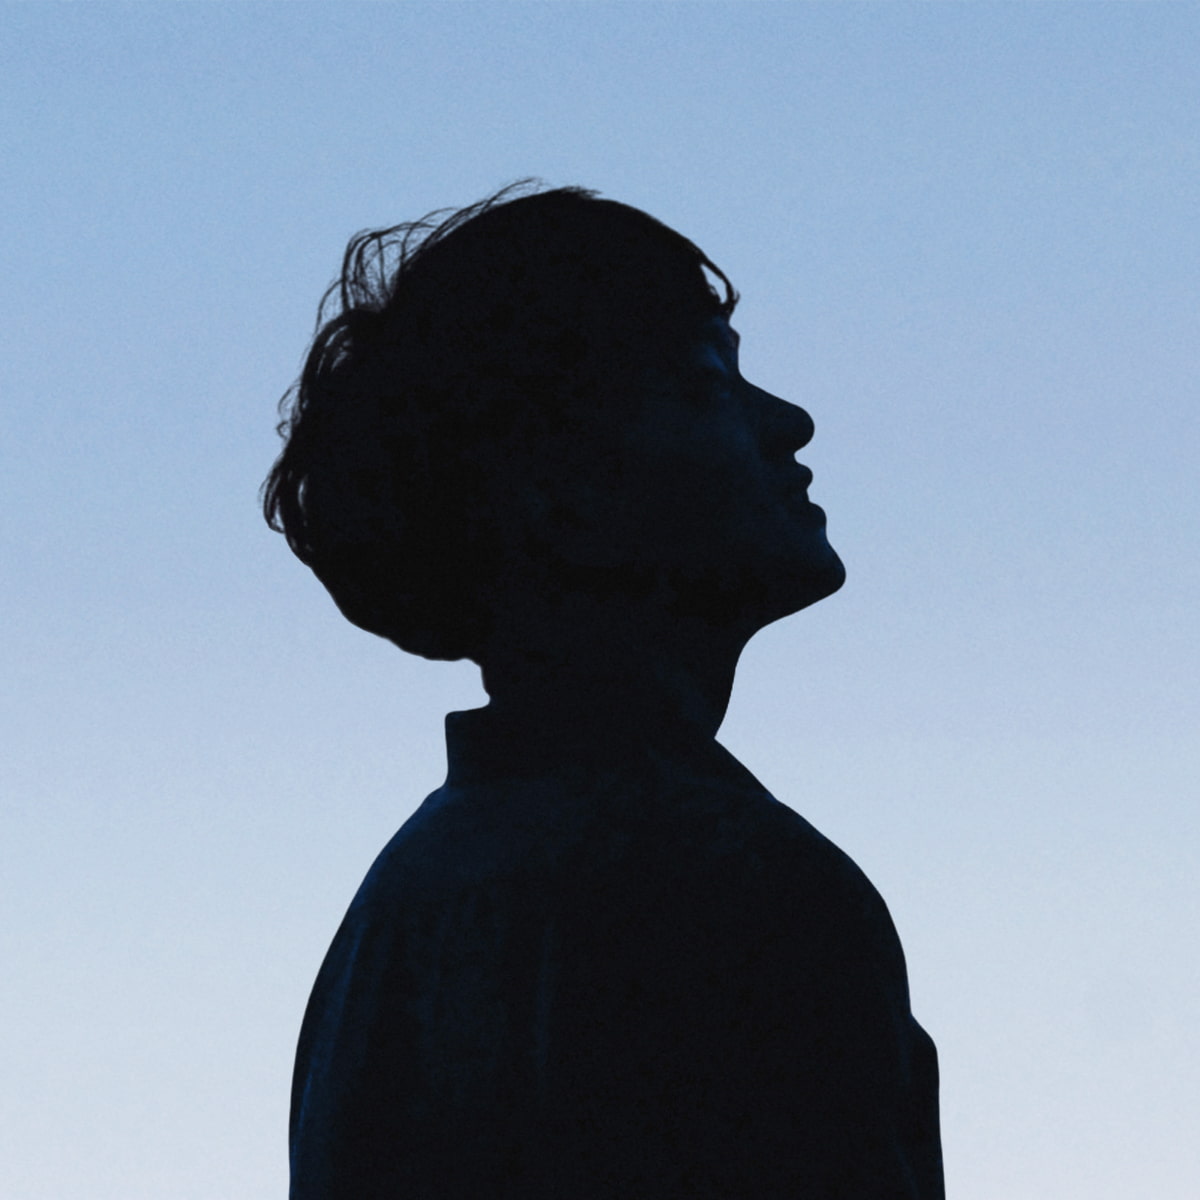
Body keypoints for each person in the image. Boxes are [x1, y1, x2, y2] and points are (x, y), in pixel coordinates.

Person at [263, 181, 944, 1198]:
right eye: (707, 385)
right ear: (557, 489)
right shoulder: (739, 888)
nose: (789, 422)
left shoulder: (400, 917)